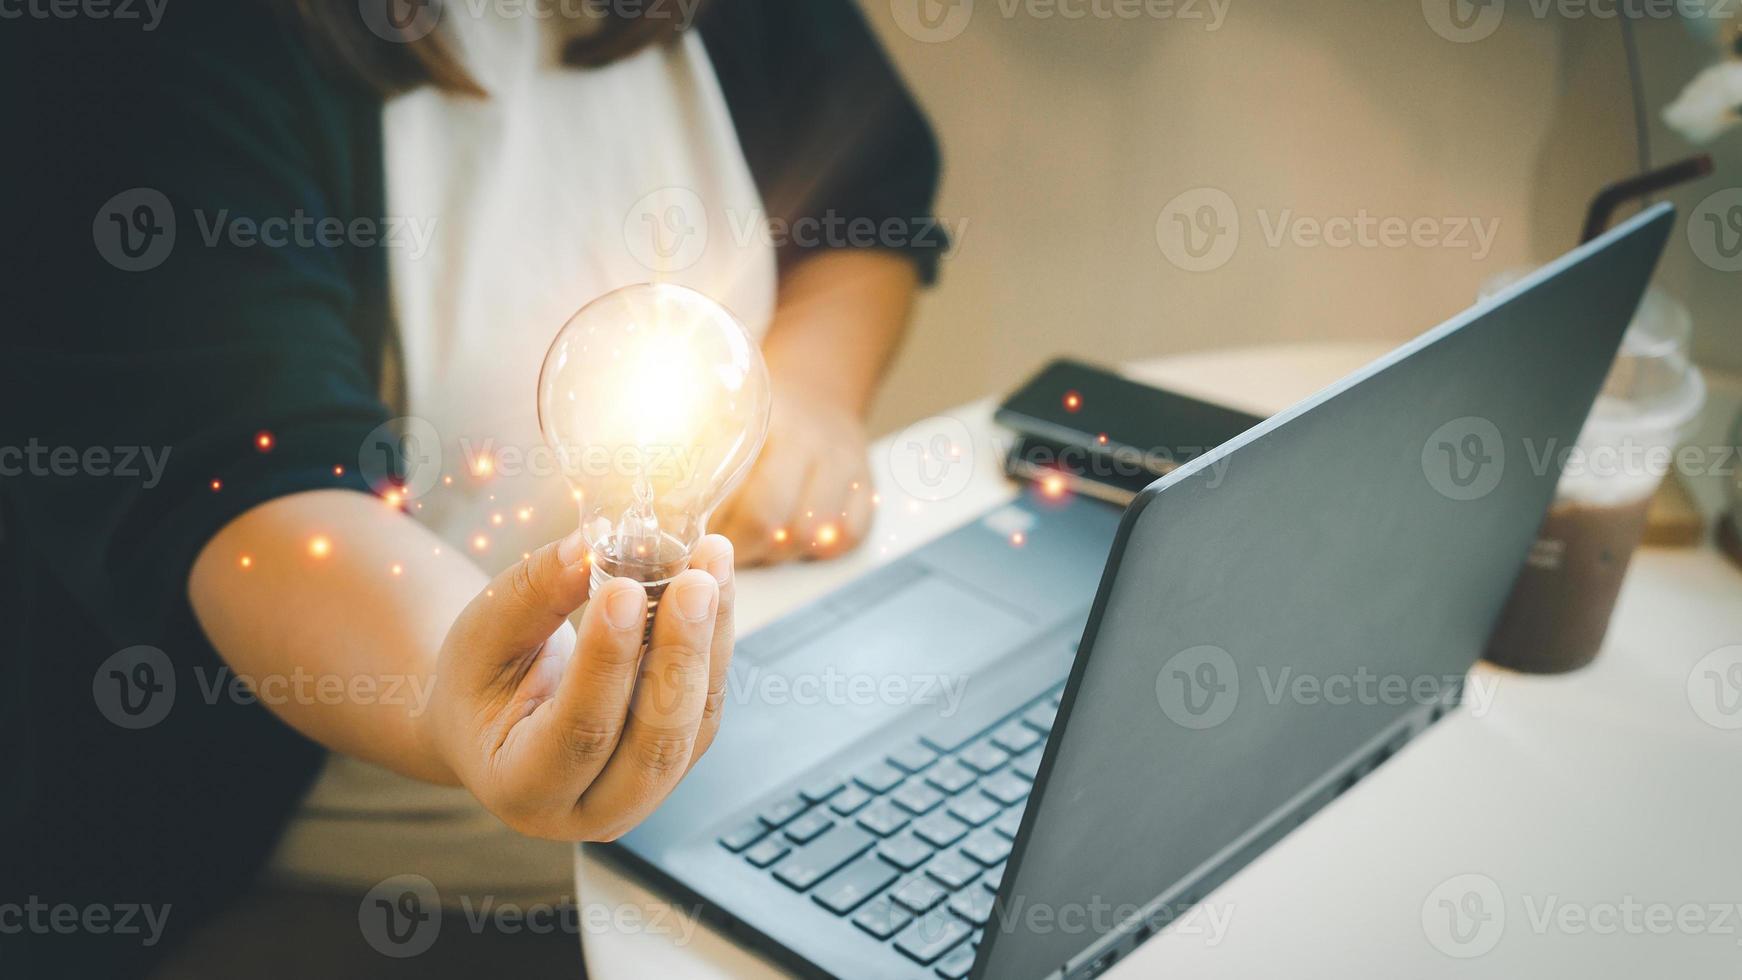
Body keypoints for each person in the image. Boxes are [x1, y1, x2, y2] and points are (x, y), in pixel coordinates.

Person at [0, 1, 944, 975]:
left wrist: (810, 389)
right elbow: (246, 481)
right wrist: (473, 689)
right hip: (355, 875)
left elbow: (863, 201)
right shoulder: (135, 46)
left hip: (738, 818)